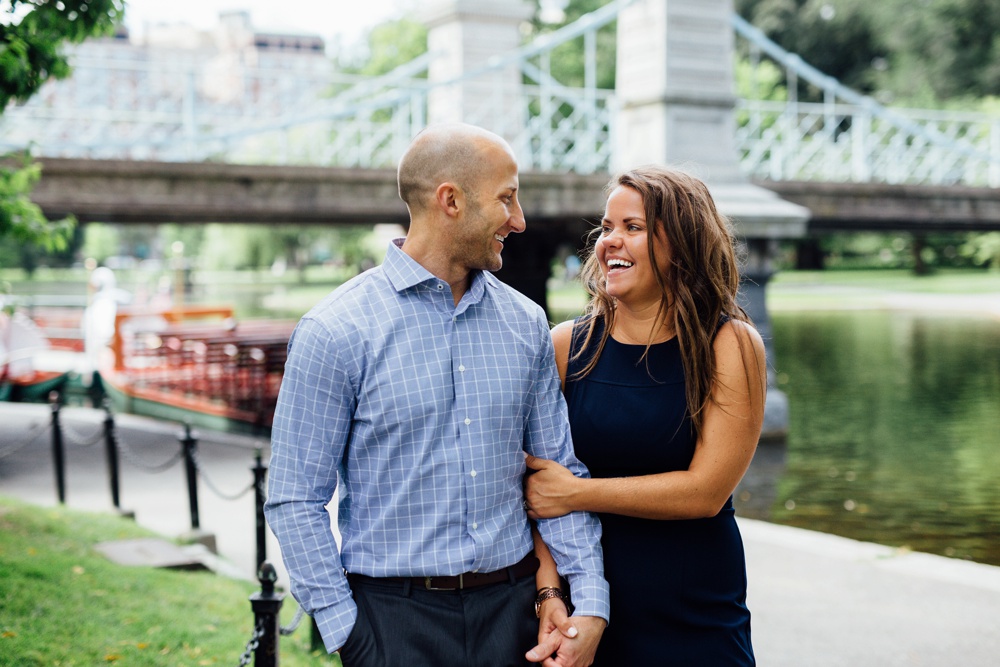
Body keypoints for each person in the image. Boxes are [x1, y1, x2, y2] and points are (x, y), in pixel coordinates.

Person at [264, 122, 609, 667]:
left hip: (515, 619)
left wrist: (587, 602)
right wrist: (349, 635)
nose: (519, 220)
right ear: (451, 200)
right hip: (391, 623)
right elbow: (295, 498)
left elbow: (558, 474)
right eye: (507, 199)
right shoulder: (335, 330)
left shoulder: (525, 323)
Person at [524, 166, 766, 665]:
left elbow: (706, 491)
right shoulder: (567, 346)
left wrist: (579, 493)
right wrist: (550, 592)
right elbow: (530, 488)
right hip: (586, 609)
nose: (610, 241)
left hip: (694, 612)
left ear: (680, 243)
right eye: (606, 228)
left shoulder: (730, 344)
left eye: (632, 228)